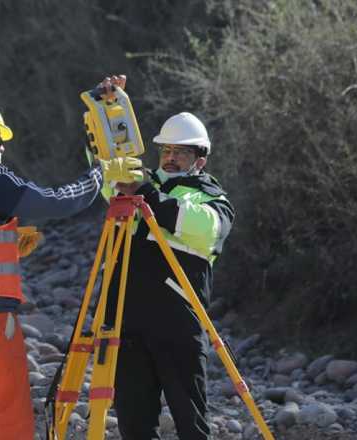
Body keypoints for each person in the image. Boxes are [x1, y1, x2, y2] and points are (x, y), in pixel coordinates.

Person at [0, 96, 139, 439]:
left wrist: (6, 240)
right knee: (11, 421)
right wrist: (101, 173)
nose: (3, 150)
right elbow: (53, 202)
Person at [100, 76, 235, 440]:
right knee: (134, 425)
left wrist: (144, 193)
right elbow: (108, 171)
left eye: (181, 153)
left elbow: (198, 227)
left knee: (191, 425)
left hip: (177, 325)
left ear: (200, 160)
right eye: (166, 151)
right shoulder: (141, 183)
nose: (171, 158)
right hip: (127, 325)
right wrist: (110, 112)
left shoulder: (213, 201)